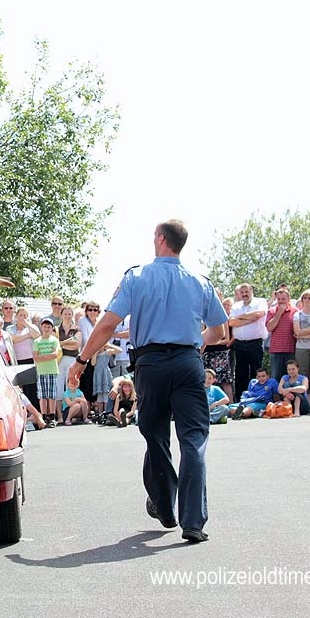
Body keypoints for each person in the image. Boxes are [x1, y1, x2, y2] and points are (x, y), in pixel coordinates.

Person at [68, 219, 228, 544]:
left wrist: (82, 360)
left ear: (159, 239)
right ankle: (193, 521)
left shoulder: (137, 277)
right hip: (187, 362)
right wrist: (196, 342)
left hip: (151, 363)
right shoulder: (200, 281)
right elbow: (219, 332)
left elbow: (108, 324)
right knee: (194, 440)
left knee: (155, 436)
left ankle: (165, 506)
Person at [229, 284, 268, 398]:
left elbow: (259, 314)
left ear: (251, 291)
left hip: (255, 343)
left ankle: (258, 396)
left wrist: (240, 317)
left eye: (247, 291)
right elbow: (231, 322)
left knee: (257, 371)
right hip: (240, 344)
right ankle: (241, 398)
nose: (245, 294)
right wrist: (249, 319)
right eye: (242, 292)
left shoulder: (260, 302)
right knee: (241, 372)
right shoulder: (236, 306)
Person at [32, 317, 61, 426]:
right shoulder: (37, 341)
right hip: (41, 371)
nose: (46, 328)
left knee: (51, 394)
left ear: (52, 328)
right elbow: (35, 356)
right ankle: (44, 415)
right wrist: (46, 356)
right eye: (45, 326)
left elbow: (55, 354)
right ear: (41, 327)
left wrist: (42, 356)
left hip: (52, 370)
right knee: (43, 395)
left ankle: (52, 416)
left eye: (49, 326)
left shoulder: (54, 340)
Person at [265, 288, 297, 381]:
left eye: (283, 299)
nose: (281, 301)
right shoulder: (271, 311)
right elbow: (269, 328)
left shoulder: (295, 311)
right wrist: (279, 313)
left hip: (291, 349)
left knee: (291, 377)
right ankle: (276, 395)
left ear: (288, 299)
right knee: (276, 377)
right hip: (276, 350)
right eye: (278, 299)